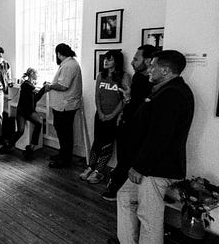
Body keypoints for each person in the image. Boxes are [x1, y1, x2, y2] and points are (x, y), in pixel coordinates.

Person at [109, 50, 194, 244]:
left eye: (153, 66)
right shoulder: (165, 90)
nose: (149, 69)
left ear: (165, 70)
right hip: (148, 164)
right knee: (125, 196)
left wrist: (140, 167)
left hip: (156, 167)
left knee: (150, 216)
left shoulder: (173, 94)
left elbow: (160, 137)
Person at [101, 44, 157, 201]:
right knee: (123, 157)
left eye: (136, 59)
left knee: (129, 159)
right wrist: (124, 108)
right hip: (126, 124)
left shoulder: (154, 83)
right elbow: (132, 101)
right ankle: (119, 188)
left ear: (148, 61)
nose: (132, 62)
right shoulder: (138, 77)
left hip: (139, 128)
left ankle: (122, 190)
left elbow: (145, 108)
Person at [80, 50, 131, 184]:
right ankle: (90, 167)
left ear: (117, 62)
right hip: (100, 115)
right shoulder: (101, 75)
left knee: (107, 145)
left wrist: (112, 115)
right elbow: (97, 95)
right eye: (105, 59)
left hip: (114, 117)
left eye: (110, 59)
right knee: (97, 142)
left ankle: (98, 171)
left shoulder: (124, 76)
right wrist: (100, 113)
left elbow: (124, 99)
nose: (106, 61)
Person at [45, 44, 82, 168]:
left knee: (65, 133)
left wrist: (50, 86)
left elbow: (63, 86)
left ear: (59, 53)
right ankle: (63, 154)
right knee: (63, 131)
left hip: (65, 106)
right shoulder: (69, 63)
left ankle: (65, 160)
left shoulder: (69, 65)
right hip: (63, 105)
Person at [0, 67, 45, 159]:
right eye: (36, 73)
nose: (38, 75)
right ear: (32, 74)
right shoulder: (26, 85)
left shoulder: (31, 85)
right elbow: (35, 92)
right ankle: (9, 145)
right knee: (20, 131)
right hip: (23, 111)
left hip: (28, 111)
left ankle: (31, 147)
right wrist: (44, 88)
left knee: (39, 124)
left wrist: (43, 89)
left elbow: (36, 98)